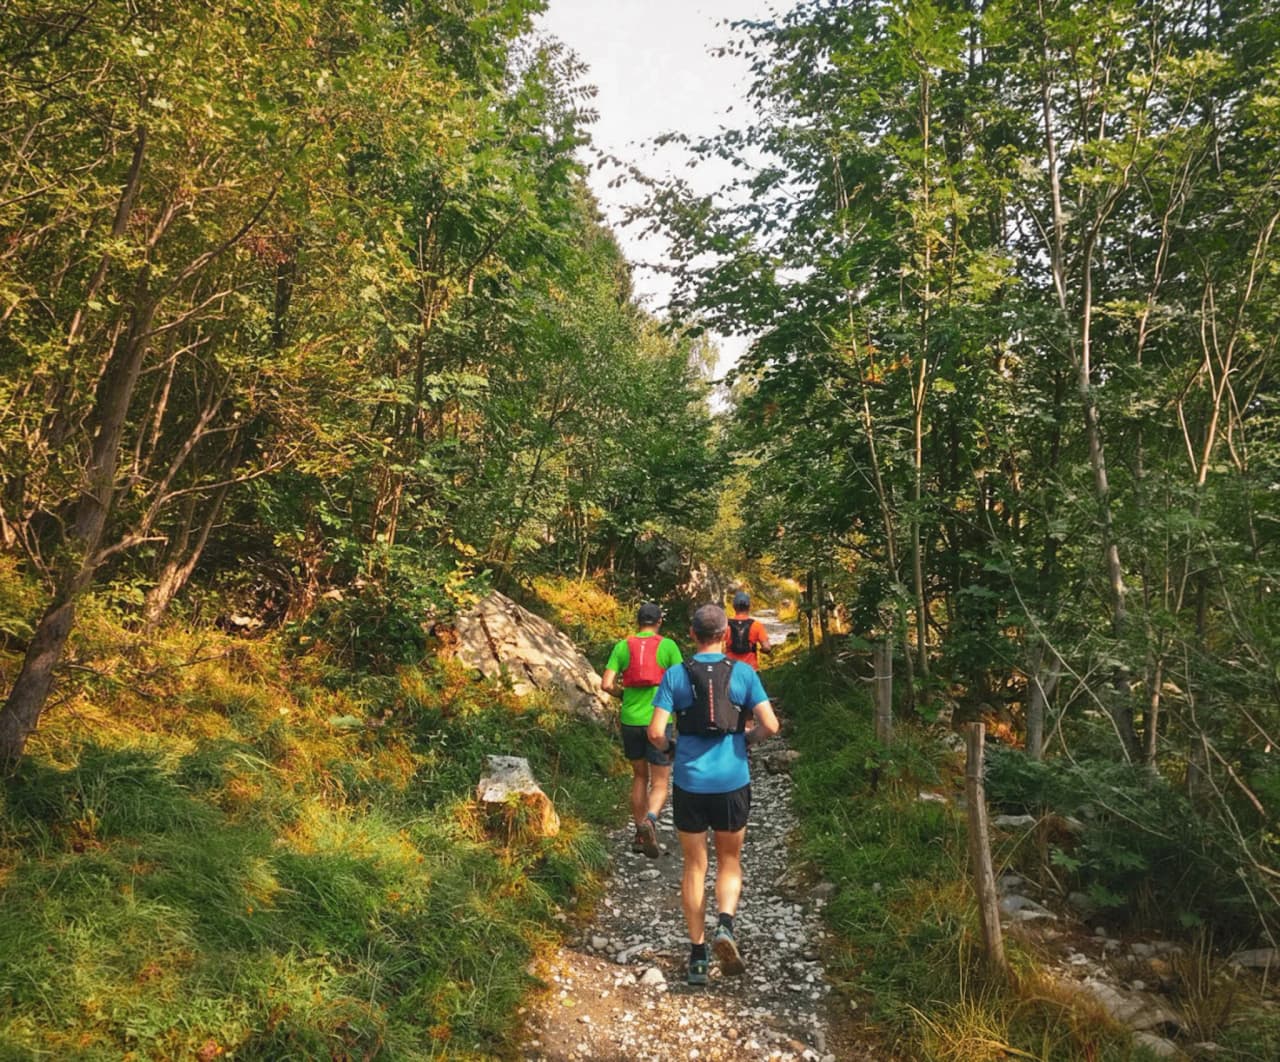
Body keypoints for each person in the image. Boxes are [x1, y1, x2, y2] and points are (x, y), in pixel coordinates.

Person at [647, 604, 780, 986]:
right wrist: (748, 740)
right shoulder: (743, 673)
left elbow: (656, 732)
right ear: (725, 635)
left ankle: (698, 957)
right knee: (729, 860)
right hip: (732, 783)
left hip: (690, 784)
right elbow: (770, 724)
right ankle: (726, 925)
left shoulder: (675, 675)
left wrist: (672, 750)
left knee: (694, 866)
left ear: (691, 635)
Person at [601, 602, 683, 858]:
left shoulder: (623, 646)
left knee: (639, 777)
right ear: (659, 622)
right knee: (660, 783)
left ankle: (638, 834)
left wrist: (622, 694)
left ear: (638, 622)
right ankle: (649, 820)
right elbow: (680, 682)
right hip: (658, 721)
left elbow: (606, 684)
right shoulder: (668, 646)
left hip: (630, 721)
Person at [723, 591, 771, 670]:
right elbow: (767, 647)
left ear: (734, 607)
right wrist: (762, 650)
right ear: (749, 607)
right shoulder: (756, 625)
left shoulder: (725, 625)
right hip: (750, 667)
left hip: (730, 667)